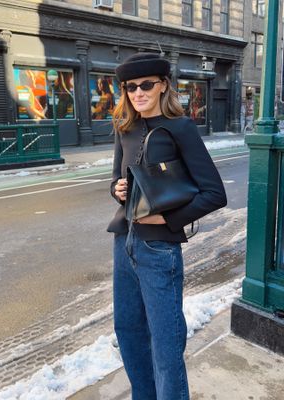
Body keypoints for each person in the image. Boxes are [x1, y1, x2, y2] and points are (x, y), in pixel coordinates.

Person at [107, 53, 227, 400]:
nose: (138, 93)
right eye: (131, 87)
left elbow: (214, 193)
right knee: (128, 331)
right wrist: (115, 190)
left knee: (166, 343)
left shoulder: (181, 128)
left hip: (158, 248)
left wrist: (169, 219)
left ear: (163, 86)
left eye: (146, 85)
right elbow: (118, 179)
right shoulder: (124, 128)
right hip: (123, 242)